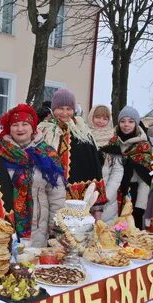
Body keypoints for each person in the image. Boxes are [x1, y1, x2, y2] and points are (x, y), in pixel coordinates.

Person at [0, 104, 65, 247]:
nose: (20, 129)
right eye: (15, 124)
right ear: (9, 128)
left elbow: (57, 194)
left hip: (38, 228)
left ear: (33, 127)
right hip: (3, 225)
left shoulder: (47, 154)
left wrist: (56, 228)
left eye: (25, 124)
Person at [38, 88, 106, 218]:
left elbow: (95, 167)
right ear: (53, 109)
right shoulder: (45, 131)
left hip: (80, 200)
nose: (64, 113)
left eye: (68, 108)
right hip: (51, 195)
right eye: (60, 108)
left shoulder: (83, 133)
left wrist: (97, 203)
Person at [103, 106, 152, 229]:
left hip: (132, 194)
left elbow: (145, 180)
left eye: (130, 121)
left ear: (136, 123)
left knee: (129, 233)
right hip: (112, 192)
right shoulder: (111, 141)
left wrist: (140, 207)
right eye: (122, 121)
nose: (126, 125)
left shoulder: (143, 146)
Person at [88, 104, 124, 222]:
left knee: (106, 234)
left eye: (105, 118)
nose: (101, 121)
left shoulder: (113, 140)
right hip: (85, 195)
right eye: (97, 117)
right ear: (91, 117)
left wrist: (107, 195)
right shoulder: (83, 136)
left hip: (107, 199)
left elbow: (117, 170)